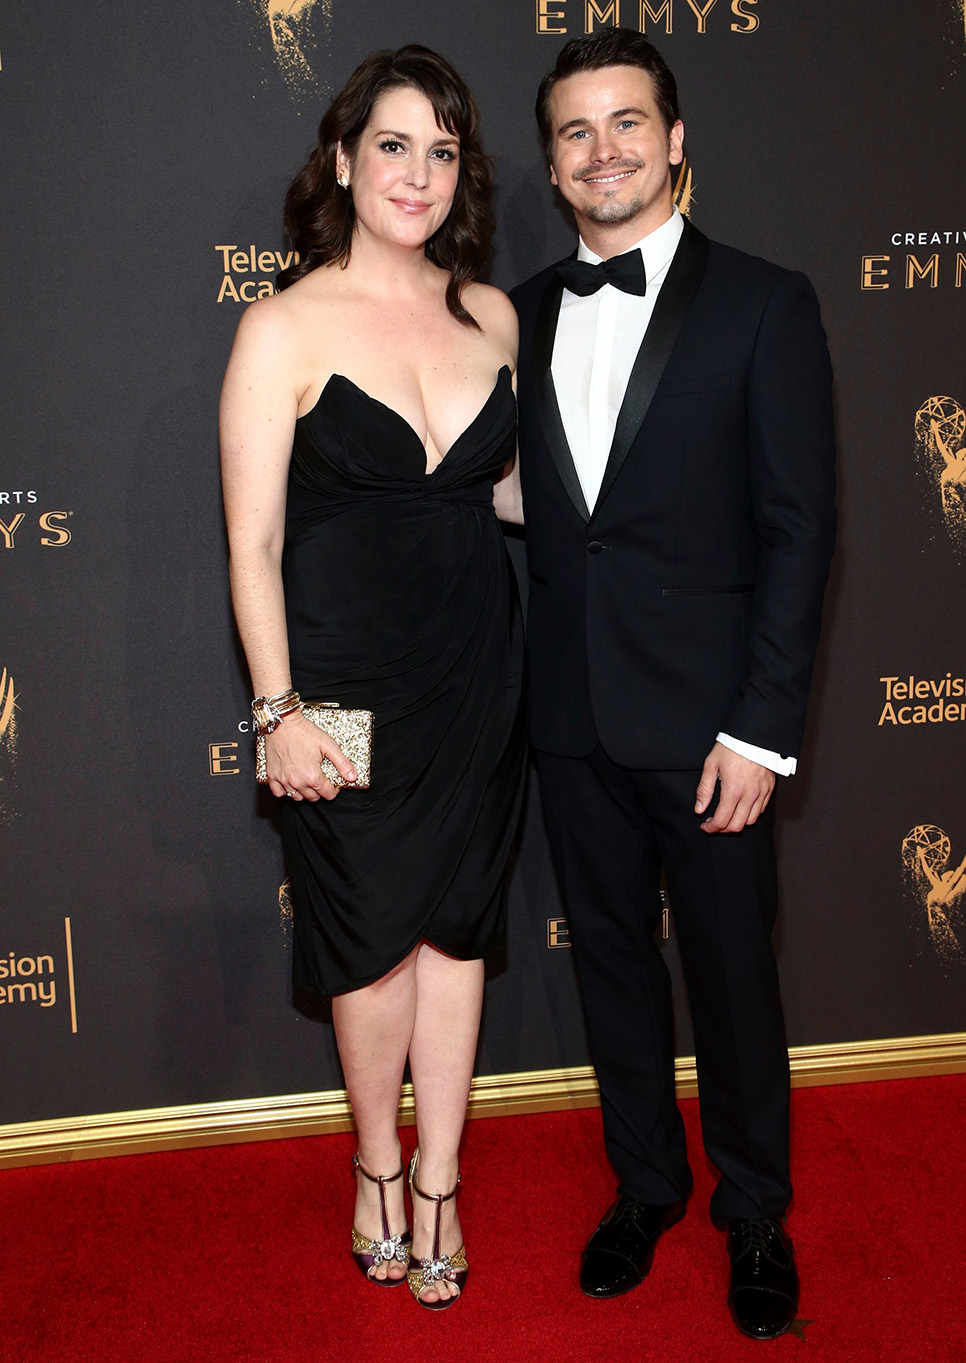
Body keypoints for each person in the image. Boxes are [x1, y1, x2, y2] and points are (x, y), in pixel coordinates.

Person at [509, 28, 835, 1340]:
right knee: (615, 977)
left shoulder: (767, 301)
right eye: (578, 132)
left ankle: (754, 1205)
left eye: (628, 123)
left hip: (712, 730)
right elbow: (530, 502)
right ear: (550, 163)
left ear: (677, 137)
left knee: (732, 978)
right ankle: (646, 1181)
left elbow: (799, 526)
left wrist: (763, 730)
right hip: (571, 719)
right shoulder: (515, 315)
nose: (606, 150)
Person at [219, 45, 525, 1311]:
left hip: (478, 678)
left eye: (443, 149)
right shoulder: (282, 324)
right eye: (393, 145)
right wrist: (278, 709)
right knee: (367, 948)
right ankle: (376, 1166)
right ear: (343, 162)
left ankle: (442, 1177)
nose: (418, 173)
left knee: (456, 933)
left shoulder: (489, 314)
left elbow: (511, 498)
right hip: (339, 688)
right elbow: (252, 543)